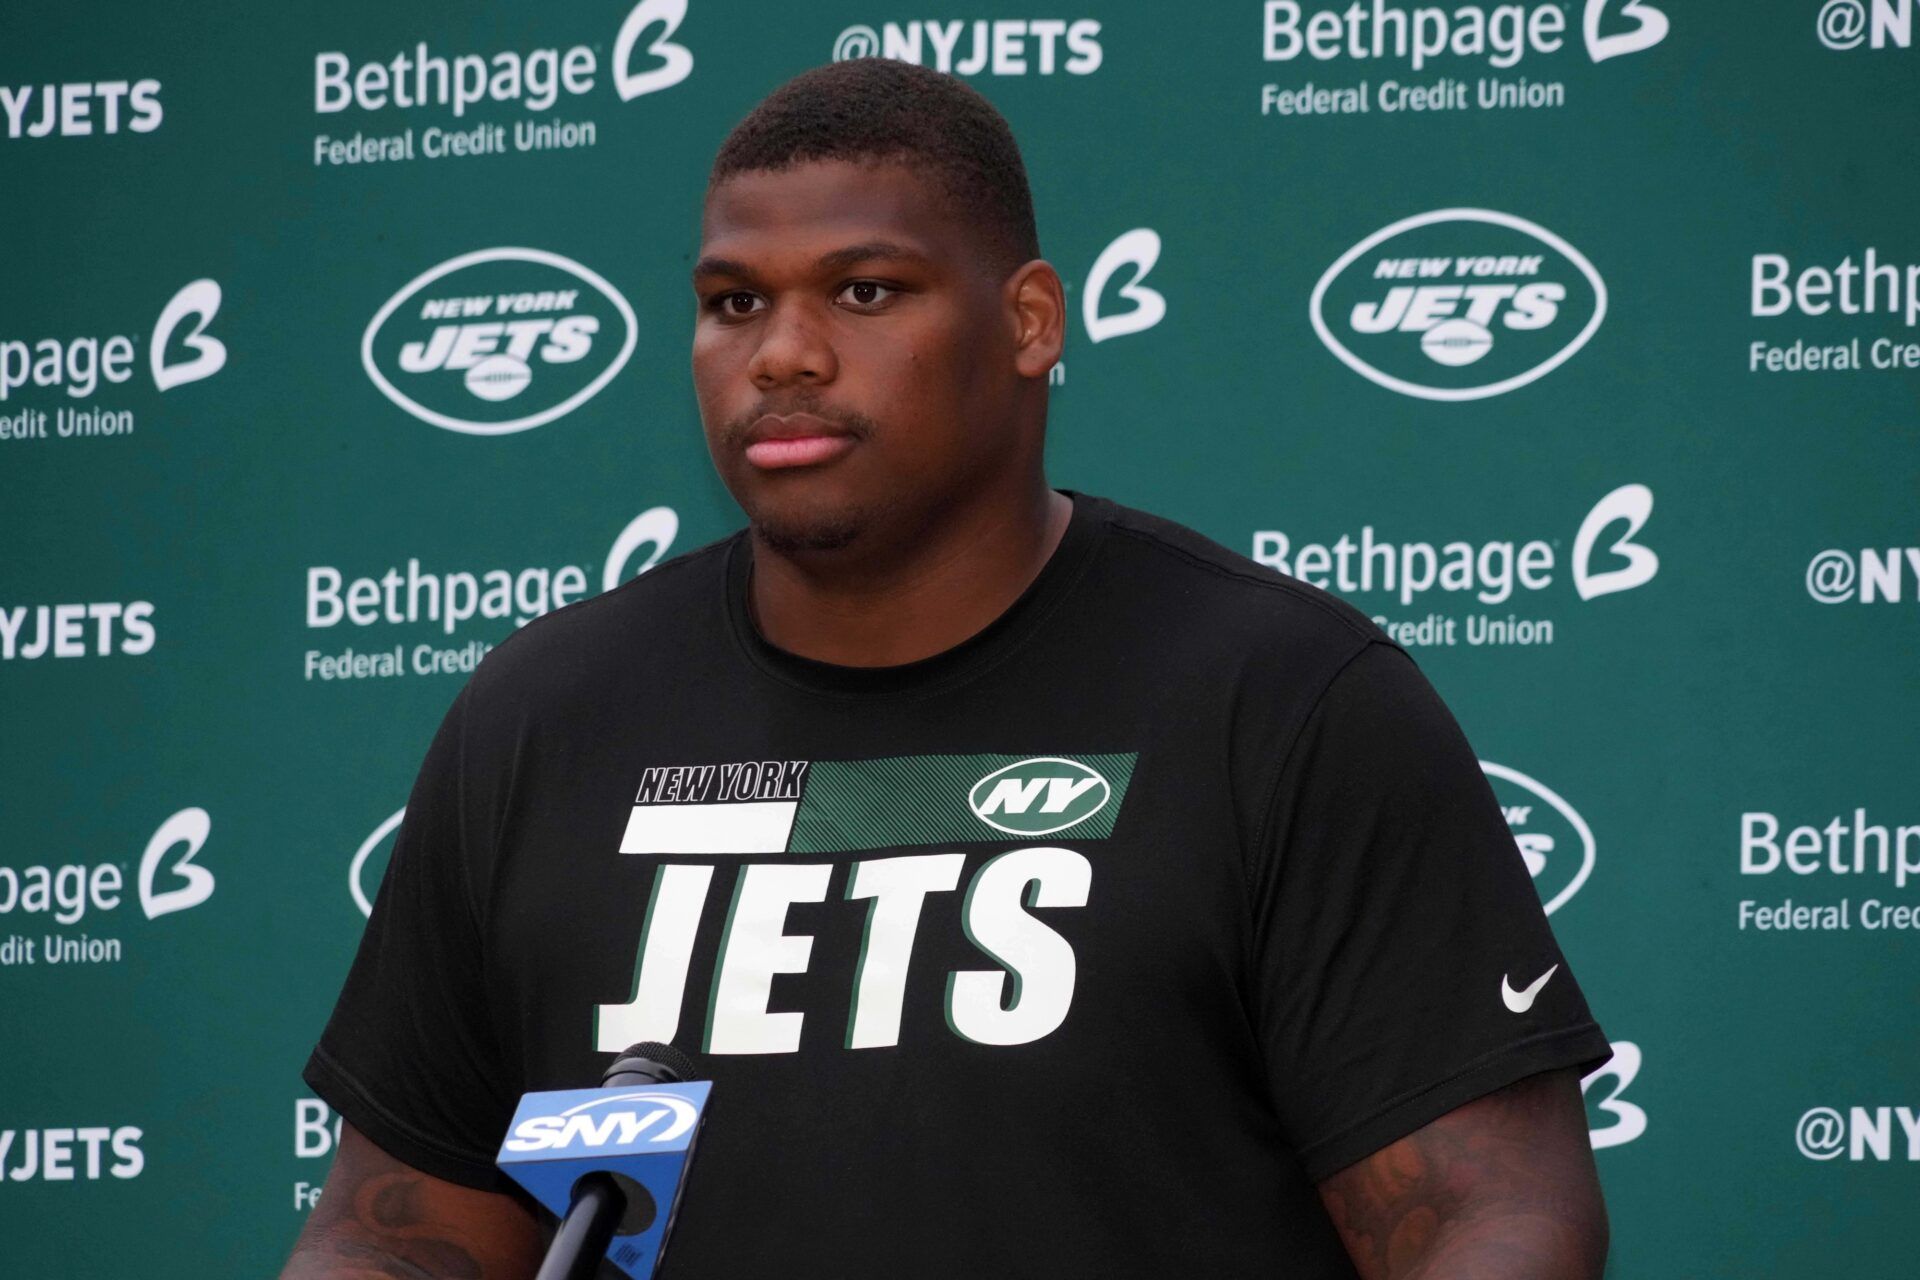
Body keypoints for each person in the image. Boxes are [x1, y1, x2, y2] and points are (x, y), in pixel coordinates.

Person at [282, 58, 1610, 1280]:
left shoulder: (1278, 702)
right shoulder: (543, 721)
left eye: (864, 292)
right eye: (734, 302)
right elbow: (396, 1229)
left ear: (1031, 321)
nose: (783, 354)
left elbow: (1496, 1217)